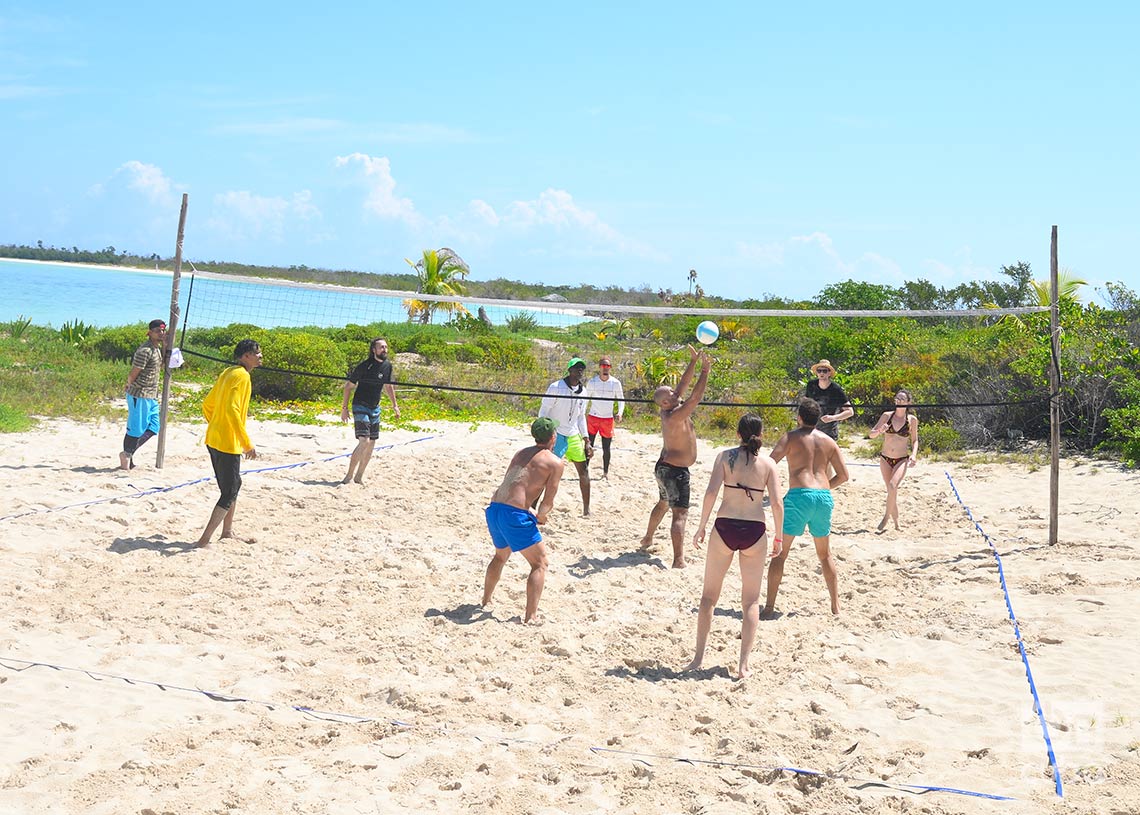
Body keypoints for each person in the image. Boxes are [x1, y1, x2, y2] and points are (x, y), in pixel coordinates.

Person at [686, 413, 784, 679]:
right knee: (751, 601)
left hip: (725, 526)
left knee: (708, 598)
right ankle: (743, 666)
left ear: (738, 434)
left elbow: (710, 493)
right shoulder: (768, 464)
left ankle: (697, 658)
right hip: (754, 529)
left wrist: (701, 526)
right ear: (761, 435)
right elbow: (776, 503)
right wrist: (779, 537)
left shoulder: (724, 457)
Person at [764, 398, 850, 615]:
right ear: (818, 418)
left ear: (799, 417)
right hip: (823, 496)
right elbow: (844, 476)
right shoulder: (829, 441)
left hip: (799, 495)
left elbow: (769, 463)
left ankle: (769, 607)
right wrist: (824, 488)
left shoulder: (790, 438)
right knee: (825, 555)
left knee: (780, 554)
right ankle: (835, 606)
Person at [482, 417, 565, 623]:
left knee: (500, 557)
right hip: (514, 515)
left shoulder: (521, 453)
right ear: (553, 436)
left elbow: (511, 484)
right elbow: (548, 501)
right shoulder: (554, 462)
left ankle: (486, 600)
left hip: (495, 509)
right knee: (540, 563)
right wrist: (542, 516)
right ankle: (531, 616)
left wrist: (528, 510)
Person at [640, 346, 711, 569]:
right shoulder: (674, 414)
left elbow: (682, 387)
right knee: (679, 513)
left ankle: (647, 538)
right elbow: (695, 397)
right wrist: (705, 371)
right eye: (670, 393)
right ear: (664, 403)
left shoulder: (671, 405)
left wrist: (693, 361)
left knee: (663, 503)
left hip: (664, 467)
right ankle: (678, 559)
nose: (674, 392)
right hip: (674, 472)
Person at [196, 339, 262, 547]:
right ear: (246, 356)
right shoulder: (242, 377)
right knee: (229, 491)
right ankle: (204, 540)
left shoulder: (228, 372)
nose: (260, 356)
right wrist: (246, 443)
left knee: (232, 486)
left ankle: (227, 532)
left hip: (213, 438)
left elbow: (208, 404)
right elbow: (233, 410)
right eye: (257, 353)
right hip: (226, 442)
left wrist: (215, 423)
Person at [340, 338, 400, 485]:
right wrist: (344, 408)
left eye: (386, 347)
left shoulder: (387, 366)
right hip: (360, 405)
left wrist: (395, 405)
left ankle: (359, 476)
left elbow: (388, 386)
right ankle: (348, 476)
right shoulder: (364, 366)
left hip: (375, 407)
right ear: (374, 350)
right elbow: (348, 386)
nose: (384, 349)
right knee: (364, 441)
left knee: (372, 442)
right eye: (381, 347)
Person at [538, 358, 593, 515]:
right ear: (569, 370)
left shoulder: (584, 391)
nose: (580, 370)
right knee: (546, 472)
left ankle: (586, 511)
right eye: (577, 367)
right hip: (556, 433)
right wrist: (546, 433)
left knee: (584, 471)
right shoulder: (556, 387)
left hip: (573, 434)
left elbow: (581, 416)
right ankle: (534, 507)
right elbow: (544, 410)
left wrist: (586, 439)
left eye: (582, 368)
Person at [869, 388, 920, 532]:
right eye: (897, 399)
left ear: (908, 402)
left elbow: (915, 440)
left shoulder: (912, 420)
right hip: (885, 458)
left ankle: (886, 517)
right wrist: (880, 431)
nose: (899, 402)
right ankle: (897, 523)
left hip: (901, 459)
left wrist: (914, 455)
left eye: (903, 400)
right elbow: (871, 434)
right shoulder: (887, 416)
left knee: (892, 486)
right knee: (891, 491)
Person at [119, 319, 167, 470]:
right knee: (136, 428)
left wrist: (166, 344)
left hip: (151, 395)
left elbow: (162, 364)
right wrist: (128, 383)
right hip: (139, 393)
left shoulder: (157, 349)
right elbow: (135, 370)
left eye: (163, 331)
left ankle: (128, 453)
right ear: (150, 333)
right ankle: (127, 456)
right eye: (158, 331)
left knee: (154, 427)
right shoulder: (145, 350)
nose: (161, 333)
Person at [585, 356, 625, 477]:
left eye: (607, 366)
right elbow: (586, 399)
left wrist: (620, 412)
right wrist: (581, 413)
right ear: (599, 367)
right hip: (593, 417)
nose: (605, 368)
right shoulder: (592, 382)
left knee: (606, 448)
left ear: (610, 368)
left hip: (607, 419)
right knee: (588, 445)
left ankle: (605, 472)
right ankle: (585, 470)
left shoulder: (615, 383)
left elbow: (621, 399)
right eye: (603, 366)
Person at [804, 359, 854, 441]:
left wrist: (833, 418)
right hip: (811, 429)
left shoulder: (836, 390)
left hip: (829, 431)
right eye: (819, 371)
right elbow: (805, 403)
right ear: (816, 373)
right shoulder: (811, 385)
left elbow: (850, 412)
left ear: (829, 373)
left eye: (824, 371)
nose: (822, 373)